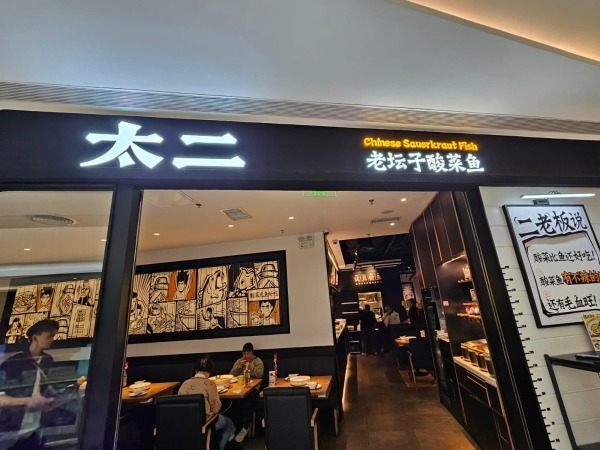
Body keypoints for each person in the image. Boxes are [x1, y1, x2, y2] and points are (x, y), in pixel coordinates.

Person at [0, 319, 60, 450]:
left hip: (35, 429)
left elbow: (47, 387)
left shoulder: (47, 360)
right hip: (11, 431)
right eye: (49, 336)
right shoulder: (14, 362)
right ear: (35, 337)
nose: (52, 340)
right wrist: (27, 401)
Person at [178, 355, 235, 450]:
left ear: (196, 370)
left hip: (184, 424)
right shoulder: (210, 383)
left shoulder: (185, 383)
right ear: (209, 371)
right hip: (205, 425)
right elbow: (215, 409)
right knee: (229, 424)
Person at [228, 343, 264, 442]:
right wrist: (238, 367)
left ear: (252, 353)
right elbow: (231, 374)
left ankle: (245, 428)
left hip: (253, 388)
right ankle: (234, 427)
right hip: (239, 388)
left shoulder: (257, 361)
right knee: (233, 400)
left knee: (248, 399)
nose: (246, 356)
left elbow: (260, 374)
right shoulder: (239, 361)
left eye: (248, 354)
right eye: (244, 354)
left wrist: (251, 366)